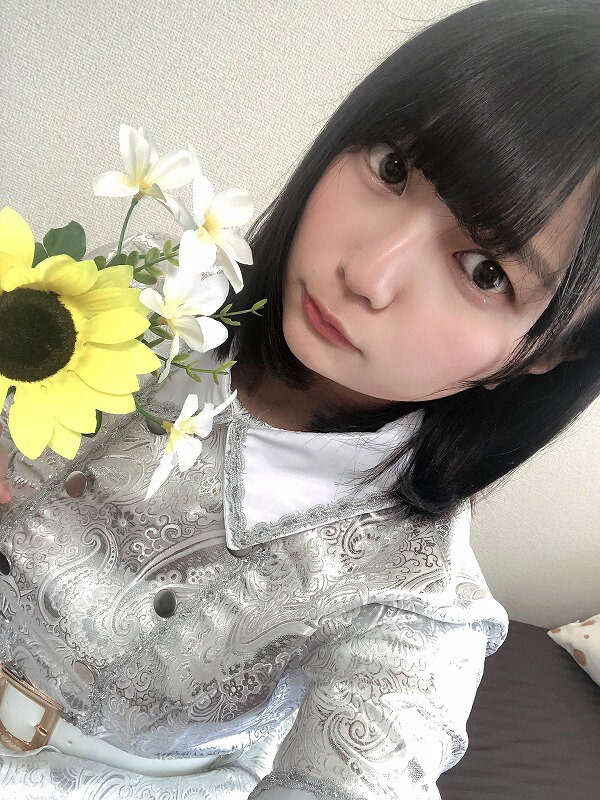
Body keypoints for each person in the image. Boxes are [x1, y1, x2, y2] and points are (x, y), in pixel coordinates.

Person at [1, 0, 600, 798]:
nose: (368, 273)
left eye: (485, 272)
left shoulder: (410, 606)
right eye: (392, 169)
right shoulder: (140, 296)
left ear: (545, 354)